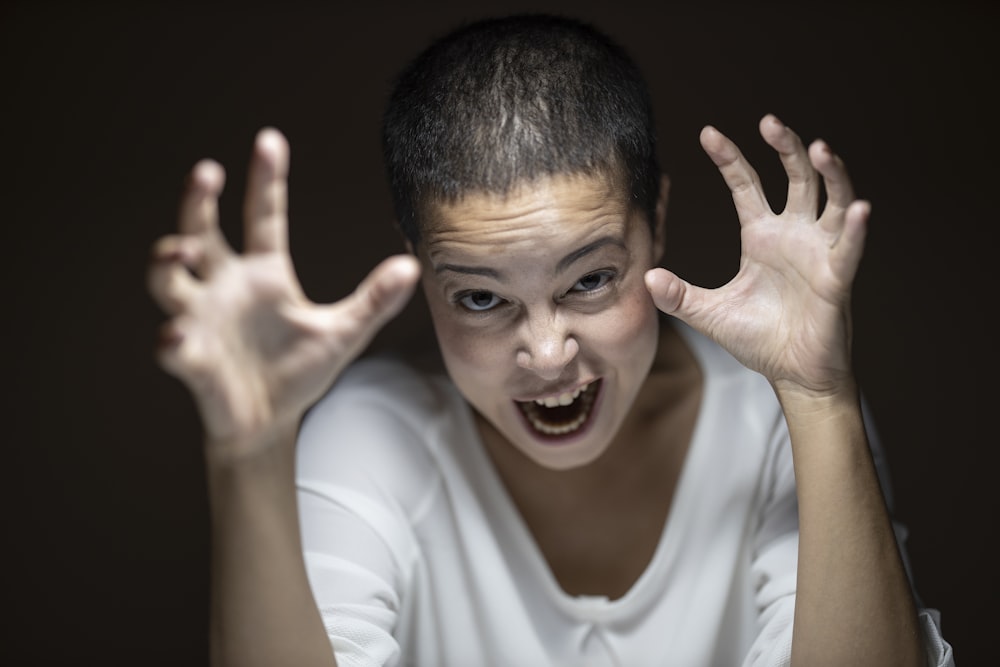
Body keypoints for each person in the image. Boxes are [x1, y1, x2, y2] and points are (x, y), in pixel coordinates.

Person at [147, 13, 954, 667]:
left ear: (657, 223)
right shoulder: (368, 439)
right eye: (479, 296)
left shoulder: (771, 420)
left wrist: (820, 399)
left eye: (590, 280)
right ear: (420, 270)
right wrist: (250, 452)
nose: (547, 353)